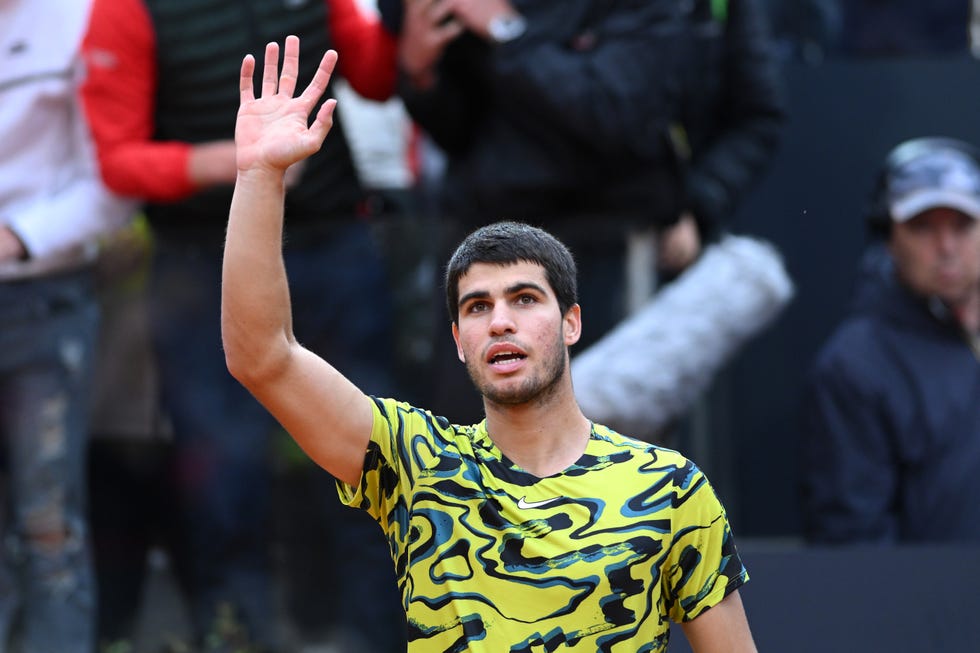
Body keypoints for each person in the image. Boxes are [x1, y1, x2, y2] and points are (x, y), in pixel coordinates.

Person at [222, 36, 757, 651]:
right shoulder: (415, 462)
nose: (500, 321)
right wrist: (260, 176)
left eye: (525, 299)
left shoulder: (670, 487)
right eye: (478, 308)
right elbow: (262, 355)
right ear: (458, 340)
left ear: (571, 323)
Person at [80, 1, 404, 649]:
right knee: (224, 477)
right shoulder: (126, 9)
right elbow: (119, 160)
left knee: (372, 458)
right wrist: (247, 160)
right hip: (205, 266)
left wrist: (412, 33)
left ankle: (387, 635)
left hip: (334, 245)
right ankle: (239, 636)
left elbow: (376, 76)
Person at [378, 0, 786, 425]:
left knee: (600, 446)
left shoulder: (650, 16)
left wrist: (505, 31)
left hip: (607, 251)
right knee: (475, 446)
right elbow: (465, 130)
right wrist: (421, 74)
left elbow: (615, 114)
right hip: (483, 240)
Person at [0, 1, 135, 651]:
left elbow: (112, 184)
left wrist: (16, 236)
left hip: (43, 302)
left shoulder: (83, 15)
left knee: (48, 522)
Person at [801, 136, 980, 544]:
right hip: (941, 605)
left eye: (963, 224)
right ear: (888, 236)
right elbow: (854, 543)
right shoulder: (854, 364)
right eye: (922, 227)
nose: (946, 247)